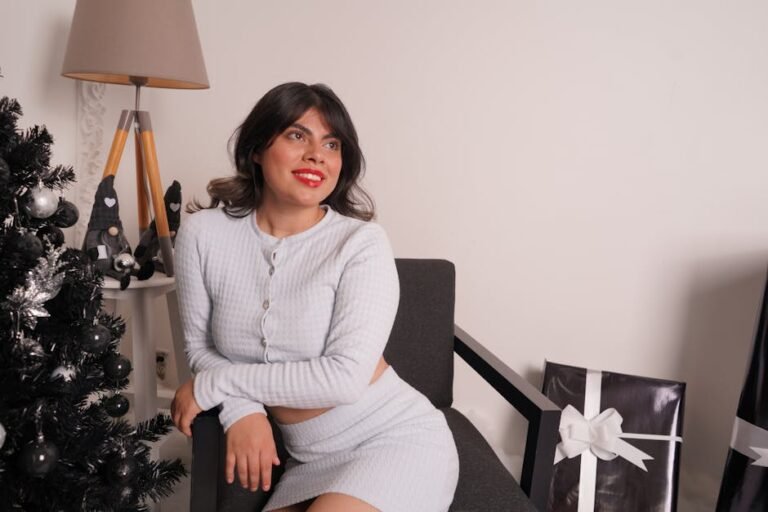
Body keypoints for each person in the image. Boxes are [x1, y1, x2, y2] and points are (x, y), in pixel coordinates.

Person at [170, 82, 459, 512]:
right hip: (307, 461)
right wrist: (241, 410)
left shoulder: (361, 243)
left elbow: (343, 378)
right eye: (296, 135)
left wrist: (217, 385)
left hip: (395, 440)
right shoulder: (202, 234)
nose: (317, 155)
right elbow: (201, 348)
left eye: (331, 143)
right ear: (256, 148)